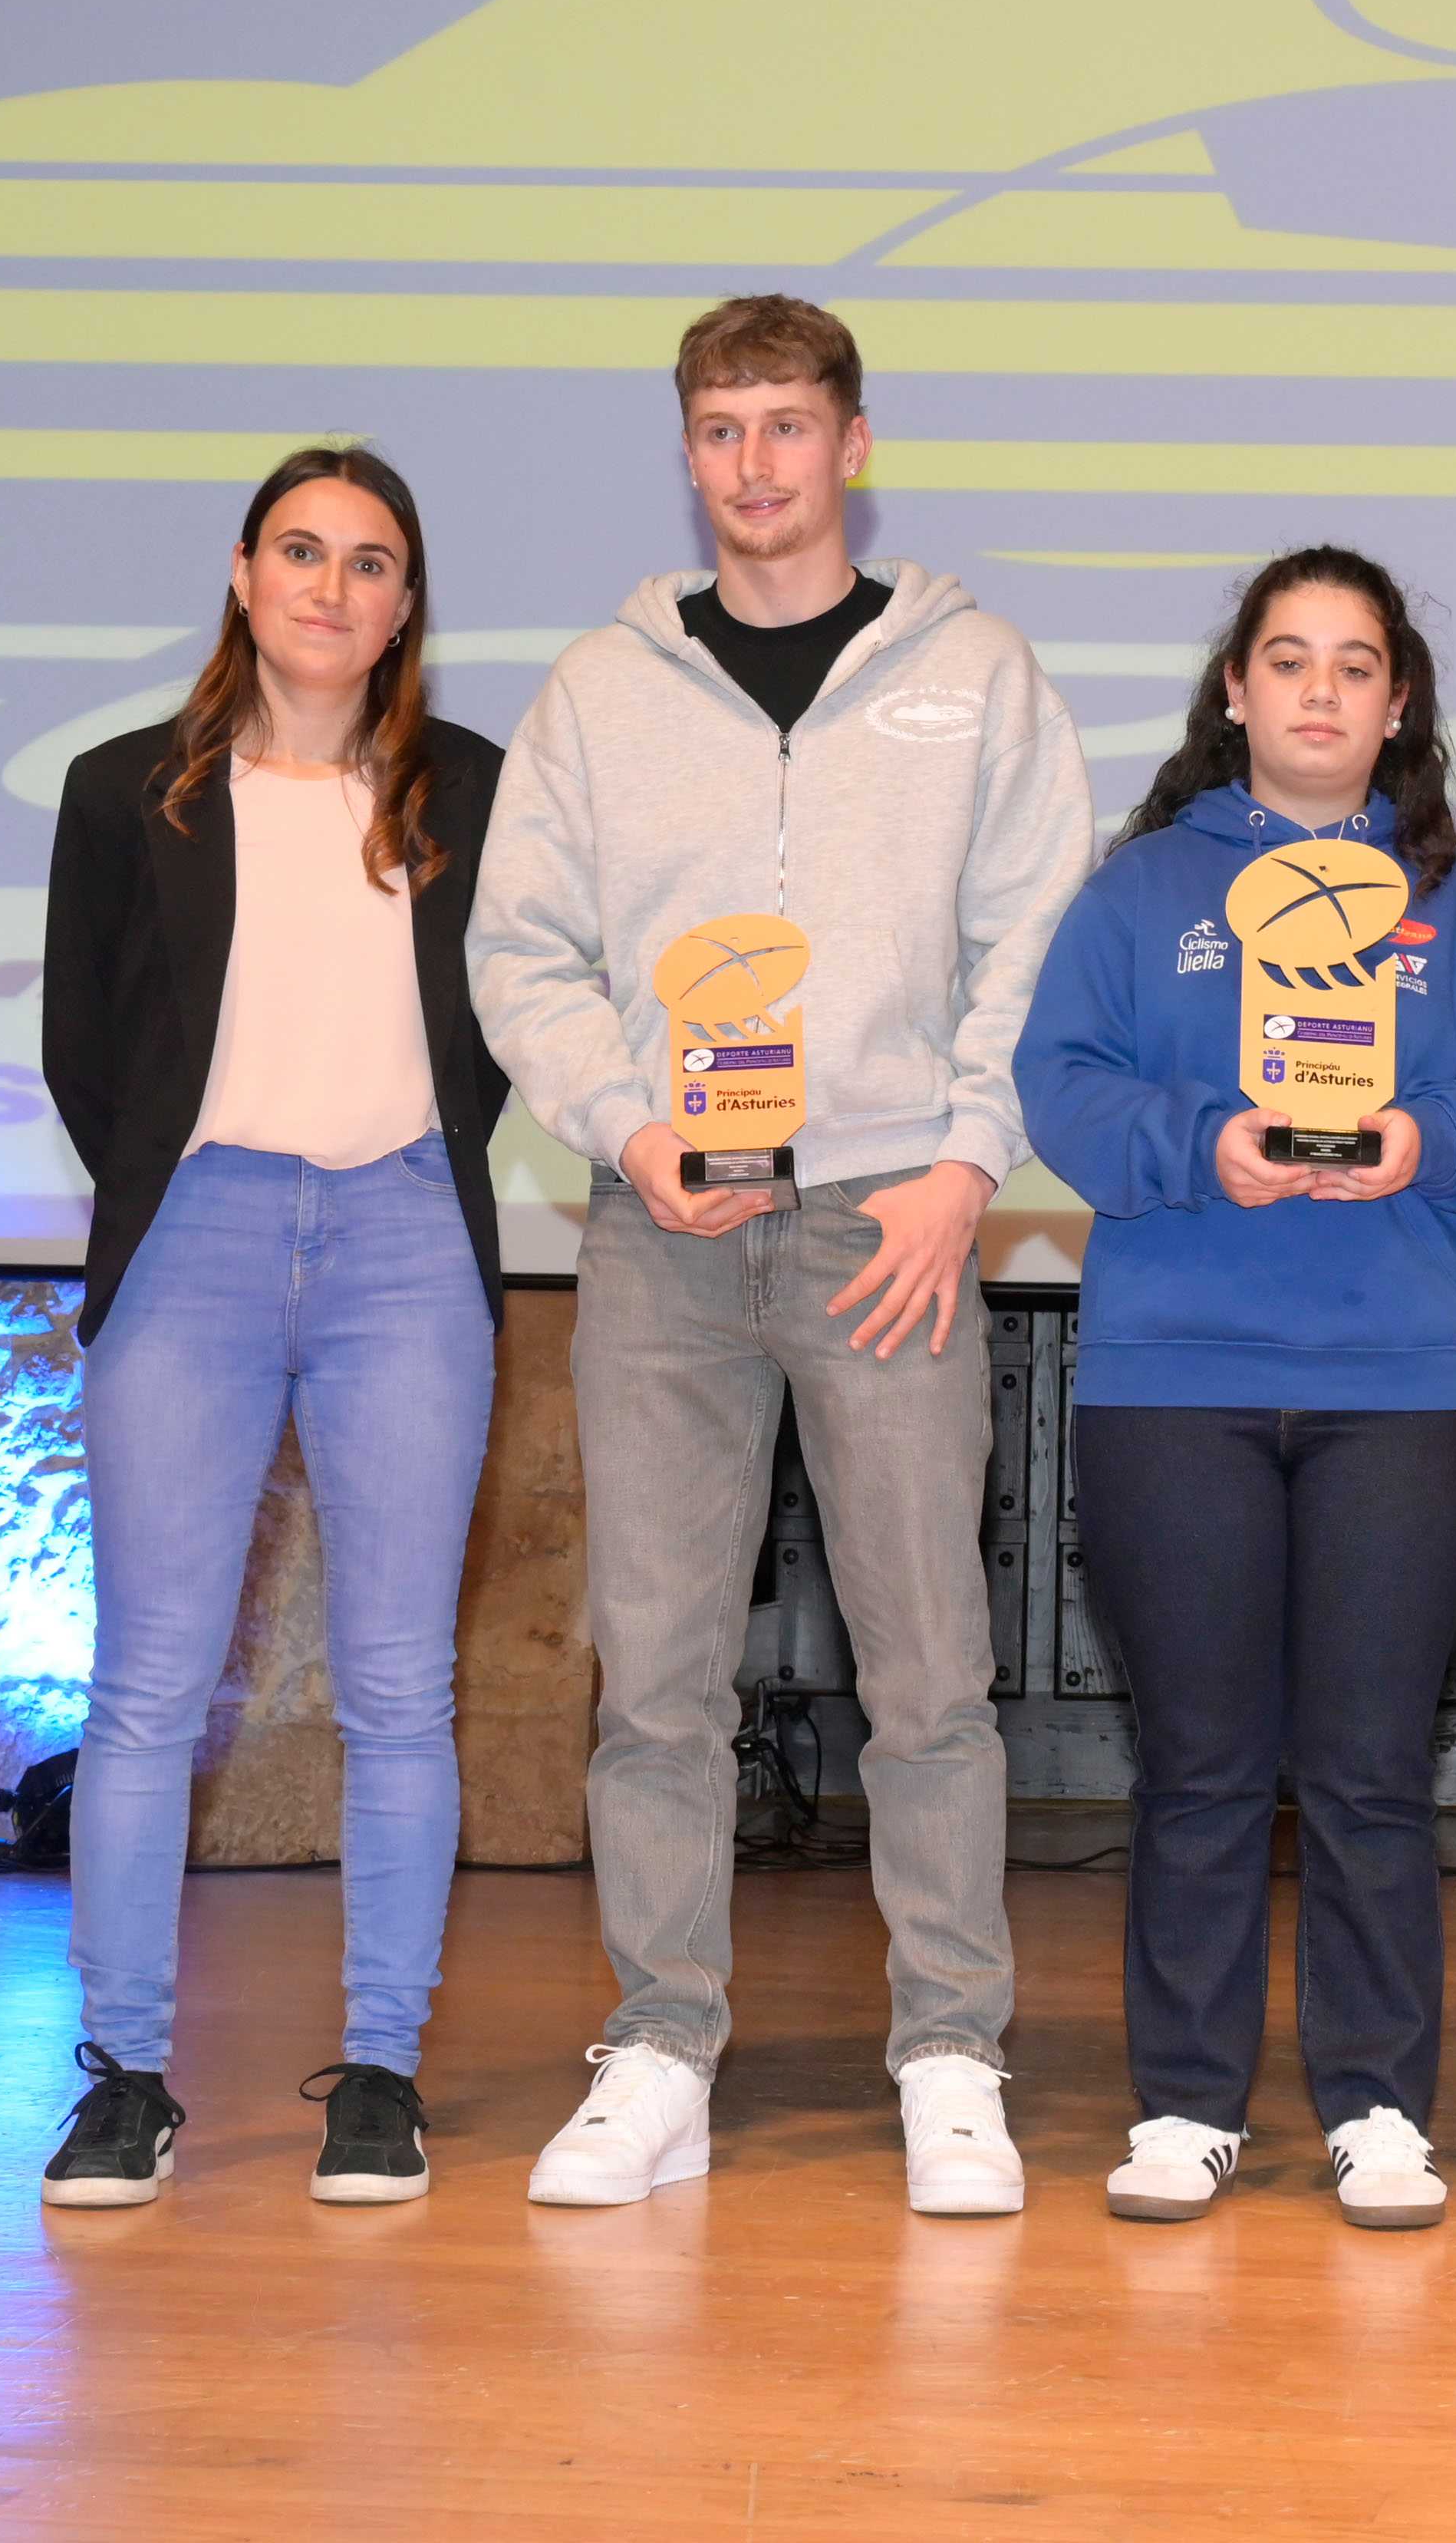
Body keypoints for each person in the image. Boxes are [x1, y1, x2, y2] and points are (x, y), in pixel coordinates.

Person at [469, 295, 1092, 2215]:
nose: (756, 463)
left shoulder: (973, 671)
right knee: (656, 1671)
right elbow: (521, 948)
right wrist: (625, 1123)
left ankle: (952, 2049)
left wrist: (966, 1162)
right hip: (665, 1224)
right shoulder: (601, 688)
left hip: (892, 1218)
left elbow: (1034, 937)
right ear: (689, 453)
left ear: (852, 442)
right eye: (722, 429)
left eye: (788, 425)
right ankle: (660, 2043)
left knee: (930, 1669)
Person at [1010, 548, 1456, 2228]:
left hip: (1394, 1385)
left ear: (1397, 704)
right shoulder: (1138, 895)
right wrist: (1207, 1143)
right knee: (1196, 1765)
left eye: (1354, 663)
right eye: (1288, 658)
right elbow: (1060, 1082)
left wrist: (1422, 1137)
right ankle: (1187, 2101)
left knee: (1370, 1769)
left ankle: (1377, 2101)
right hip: (1171, 1380)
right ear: (1234, 690)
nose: (1320, 688)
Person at [34, 447, 514, 2211]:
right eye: (301, 549)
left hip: (406, 1241)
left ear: (404, 604)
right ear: (243, 573)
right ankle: (124, 2075)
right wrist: (203, 1183)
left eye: (370, 559)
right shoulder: (121, 789)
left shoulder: (478, 787)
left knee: (400, 1685)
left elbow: (510, 1022)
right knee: (148, 1685)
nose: (331, 583)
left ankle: (381, 2068)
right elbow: (87, 1050)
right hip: (196, 1241)